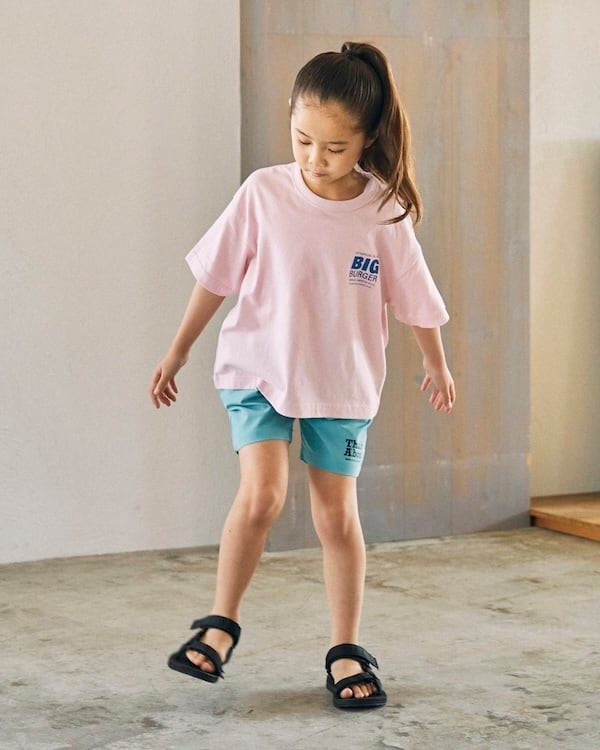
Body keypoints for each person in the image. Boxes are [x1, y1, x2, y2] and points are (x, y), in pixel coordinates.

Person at [149, 41, 455, 710]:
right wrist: (178, 350)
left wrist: (436, 362)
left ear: (367, 139)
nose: (316, 158)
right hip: (257, 369)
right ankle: (219, 625)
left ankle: (346, 648)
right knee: (261, 496)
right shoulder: (264, 192)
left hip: (340, 385)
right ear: (290, 119)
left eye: (335, 148)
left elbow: (416, 298)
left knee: (335, 516)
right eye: (303, 140)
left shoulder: (385, 212)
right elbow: (215, 278)